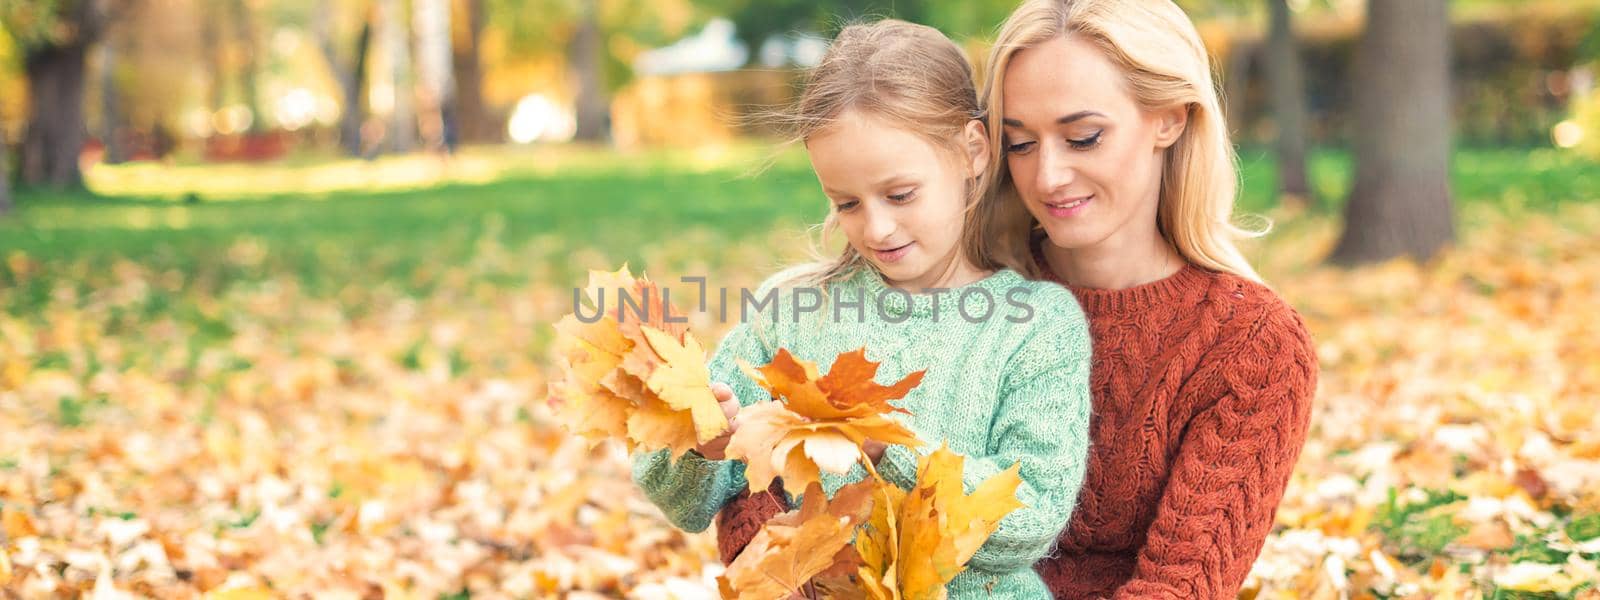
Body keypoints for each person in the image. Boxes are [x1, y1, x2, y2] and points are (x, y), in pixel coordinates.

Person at [718, 1, 1320, 597]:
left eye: (1083, 138)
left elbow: (1182, 584)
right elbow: (765, 459)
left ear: (1169, 118)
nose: (1048, 176)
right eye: (1022, 144)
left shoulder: (1252, 346)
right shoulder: (936, 279)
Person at [632, 19, 1094, 598]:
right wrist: (702, 447)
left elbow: (1030, 518)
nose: (875, 226)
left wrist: (889, 446)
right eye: (846, 202)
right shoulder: (795, 310)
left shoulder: (1038, 326)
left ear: (971, 150)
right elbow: (682, 502)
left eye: (901, 195)